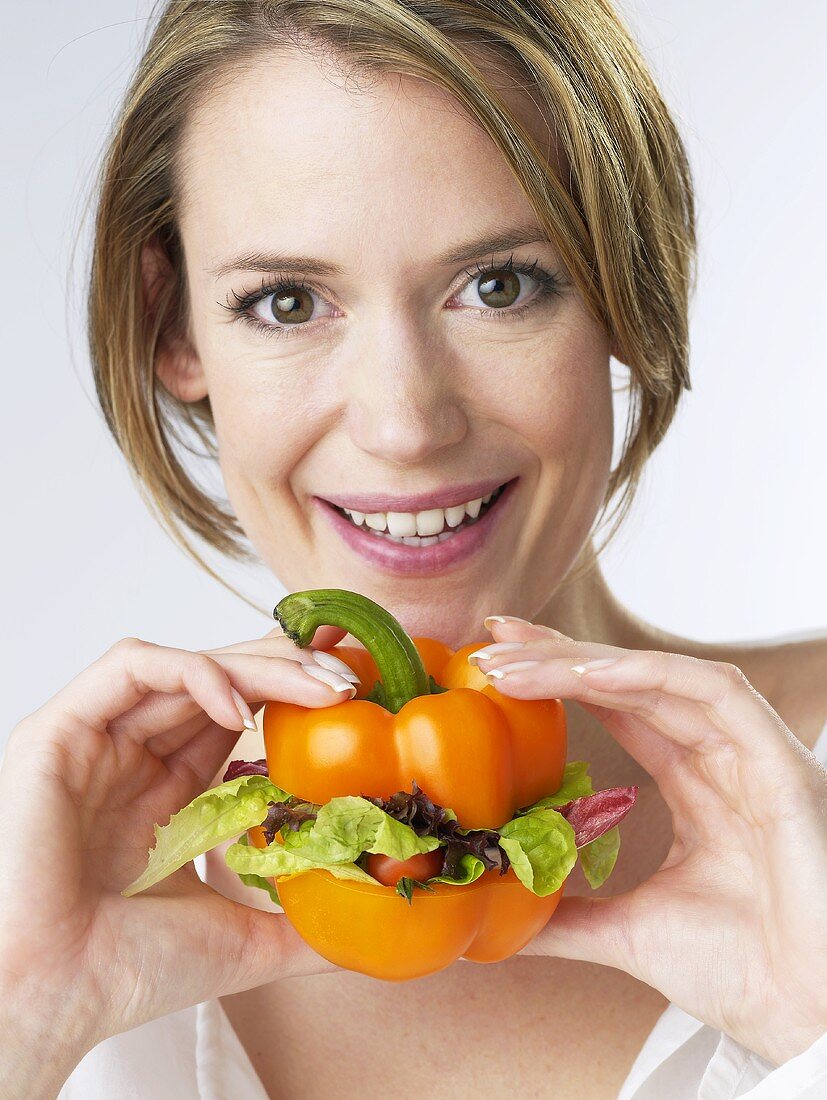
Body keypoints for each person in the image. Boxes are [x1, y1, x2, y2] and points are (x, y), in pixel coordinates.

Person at [1, 1, 825, 1097]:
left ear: (623, 291)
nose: (402, 423)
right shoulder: (52, 882)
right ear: (175, 330)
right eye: (286, 300)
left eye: (498, 284)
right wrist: (23, 1022)